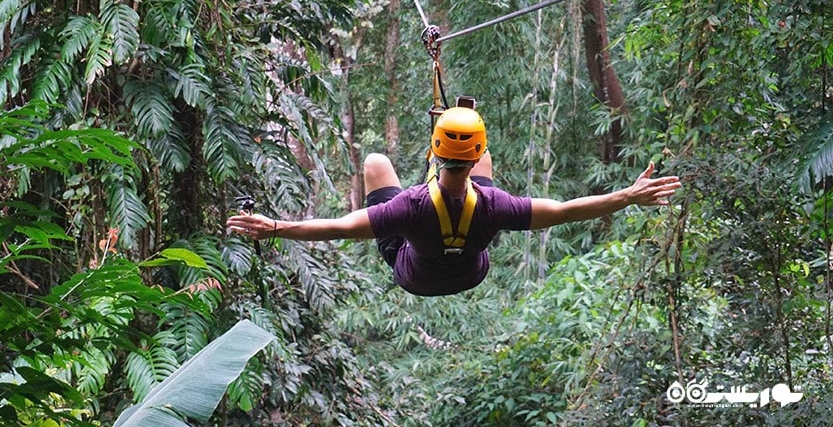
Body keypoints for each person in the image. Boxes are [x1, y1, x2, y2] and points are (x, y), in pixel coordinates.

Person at [226, 107, 682, 296]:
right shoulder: (496, 204)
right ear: (474, 151)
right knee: (482, 194)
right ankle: (462, 143)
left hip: (414, 276)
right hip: (471, 270)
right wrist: (629, 195)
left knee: (376, 162)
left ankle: (451, 143)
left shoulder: (407, 207)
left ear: (434, 151)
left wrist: (274, 227)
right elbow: (566, 211)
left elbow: (340, 227)